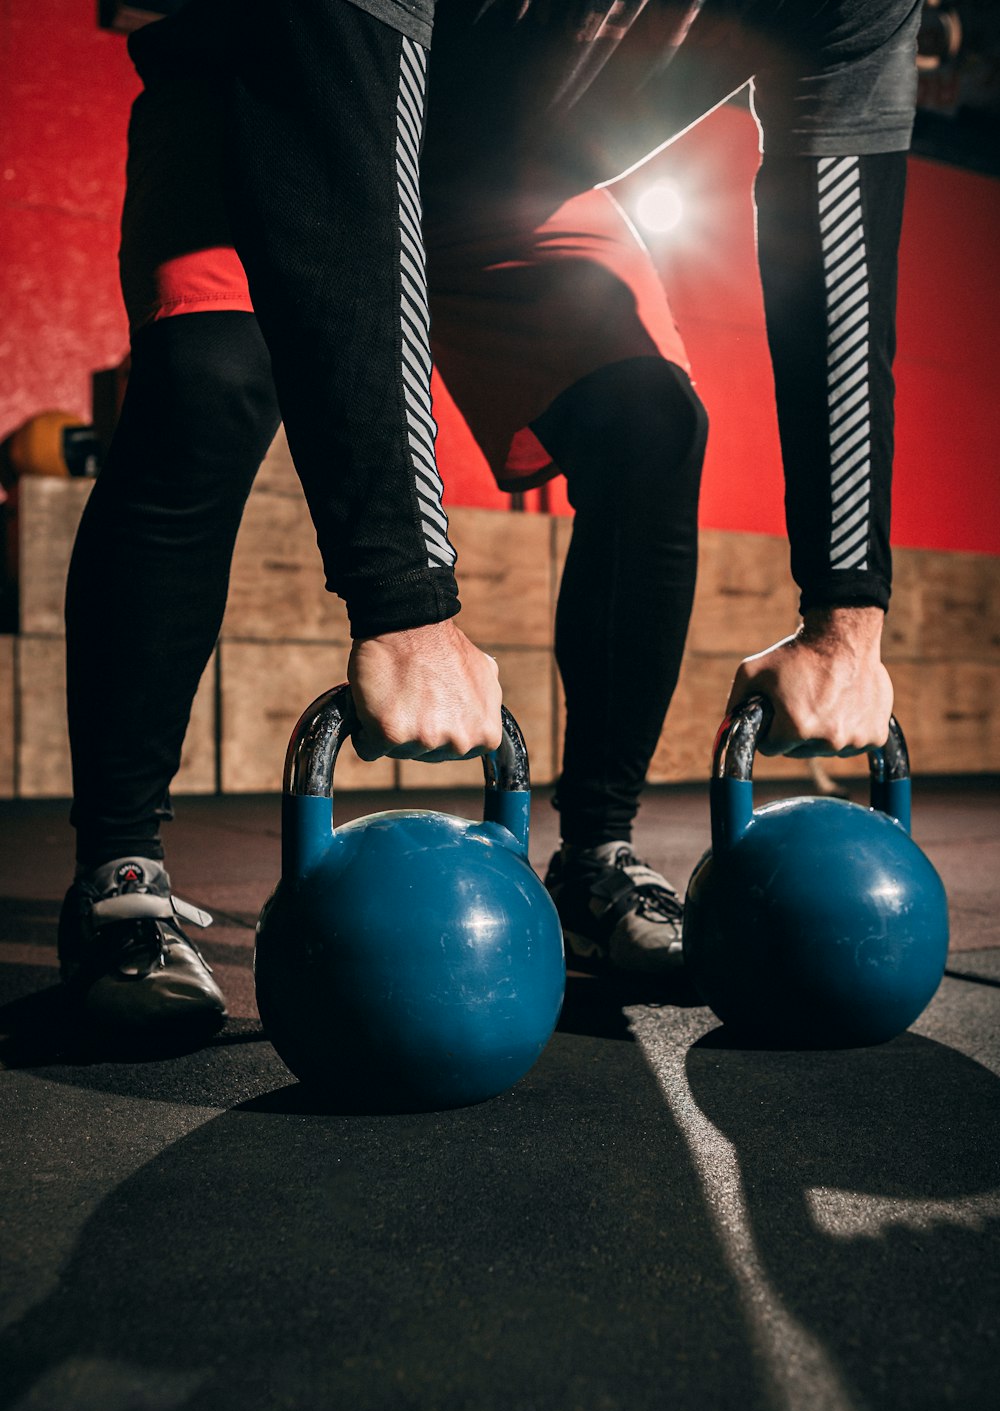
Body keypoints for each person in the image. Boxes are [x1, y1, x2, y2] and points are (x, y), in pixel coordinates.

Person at [59, 0, 921, 1037]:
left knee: (648, 424)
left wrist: (846, 612)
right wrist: (404, 600)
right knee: (208, 386)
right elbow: (336, 128)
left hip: (508, 185)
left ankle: (594, 857)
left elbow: (840, 263)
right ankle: (118, 871)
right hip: (277, 94)